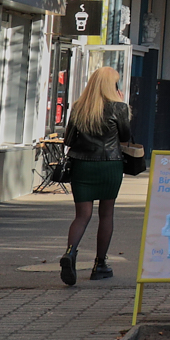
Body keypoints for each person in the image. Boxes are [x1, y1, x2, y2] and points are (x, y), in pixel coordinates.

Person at [59, 66, 134, 285]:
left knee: (82, 216)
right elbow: (125, 137)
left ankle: (70, 253)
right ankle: (100, 264)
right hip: (109, 165)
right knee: (106, 214)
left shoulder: (79, 107)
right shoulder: (118, 107)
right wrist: (124, 108)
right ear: (113, 86)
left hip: (82, 165)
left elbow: (69, 140)